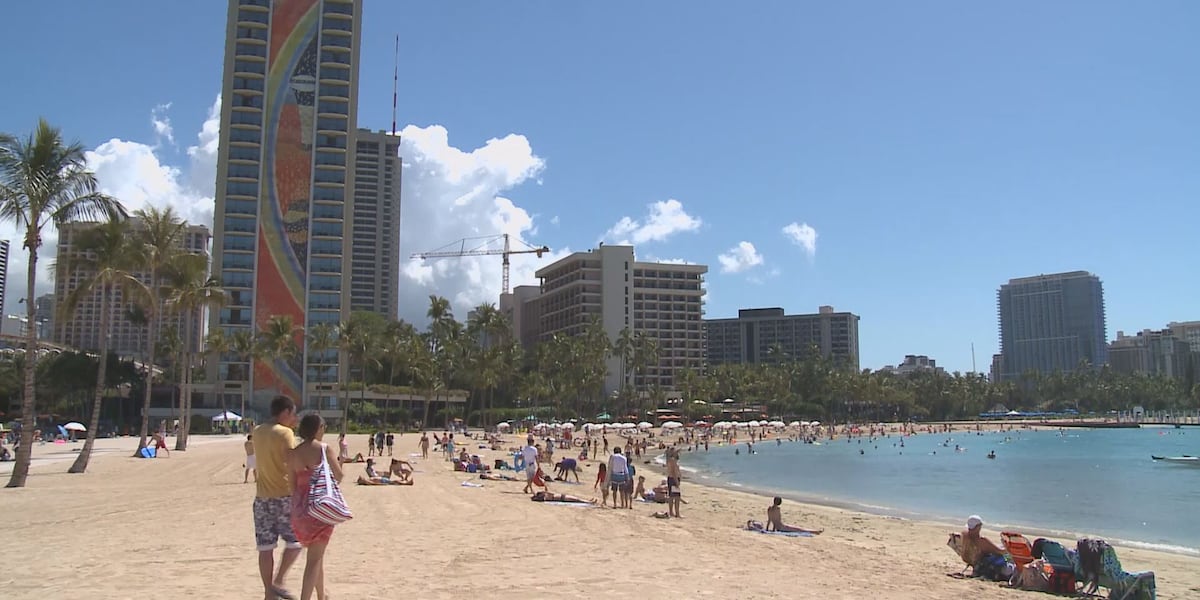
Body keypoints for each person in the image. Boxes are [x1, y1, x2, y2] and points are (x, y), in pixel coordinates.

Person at [288, 414, 344, 600]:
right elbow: (339, 475)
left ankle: (322, 595)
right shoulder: (324, 449)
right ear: (318, 428)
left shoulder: (294, 453)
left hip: (300, 510)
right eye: (323, 426)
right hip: (320, 508)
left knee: (315, 555)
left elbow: (292, 485)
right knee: (313, 560)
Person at [252, 395, 302, 600]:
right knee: (295, 542)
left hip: (262, 497)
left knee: (265, 548)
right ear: (285, 412)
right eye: (293, 414)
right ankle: (279, 580)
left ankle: (269, 593)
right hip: (284, 496)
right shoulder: (285, 433)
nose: (294, 418)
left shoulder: (257, 431)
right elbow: (292, 462)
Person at [960, 515, 1013, 581]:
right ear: (978, 526)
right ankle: (1011, 563)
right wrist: (1008, 547)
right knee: (1007, 556)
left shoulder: (964, 535)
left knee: (1001, 548)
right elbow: (1001, 551)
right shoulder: (981, 540)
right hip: (984, 564)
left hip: (973, 561)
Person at [665, 448, 682, 518]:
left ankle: (671, 512)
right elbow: (673, 472)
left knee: (671, 496)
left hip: (670, 479)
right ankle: (677, 513)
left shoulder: (669, 460)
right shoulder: (673, 461)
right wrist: (677, 481)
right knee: (677, 497)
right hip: (673, 479)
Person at [531, 490, 597, 504]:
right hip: (563, 498)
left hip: (563, 497)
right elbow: (549, 492)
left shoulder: (547, 496)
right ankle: (589, 502)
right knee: (577, 500)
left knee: (577, 499)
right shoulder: (546, 497)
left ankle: (589, 501)